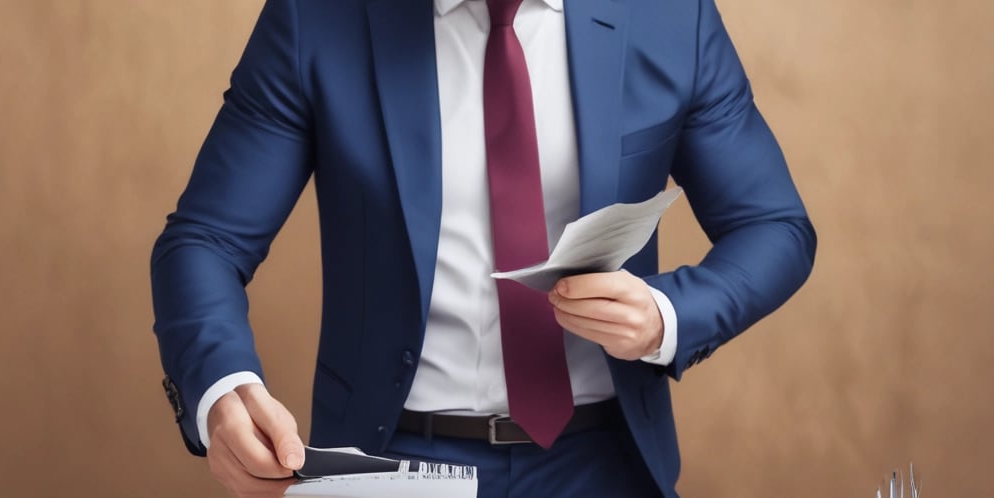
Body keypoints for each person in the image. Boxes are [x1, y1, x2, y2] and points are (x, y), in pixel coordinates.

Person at [150, 0, 816, 496]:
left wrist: (664, 317)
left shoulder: (667, 15)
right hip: (391, 464)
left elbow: (774, 226)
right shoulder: (316, 17)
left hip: (603, 463)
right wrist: (221, 387)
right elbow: (206, 238)